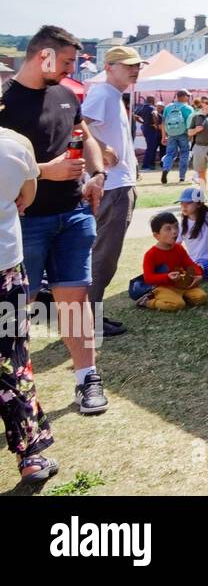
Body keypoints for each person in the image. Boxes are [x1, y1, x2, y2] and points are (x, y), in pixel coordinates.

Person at [0, 25, 109, 415]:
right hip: (23, 223)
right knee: (15, 307)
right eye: (65, 62)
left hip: (74, 215)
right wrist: (46, 171)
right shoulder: (5, 101)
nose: (70, 70)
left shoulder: (65, 95)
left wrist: (96, 175)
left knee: (75, 301)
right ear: (43, 55)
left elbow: (86, 136)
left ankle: (87, 378)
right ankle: (14, 391)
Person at [0, 122, 58, 483]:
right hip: (4, 268)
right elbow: (26, 198)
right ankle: (31, 455)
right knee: (12, 358)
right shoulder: (14, 144)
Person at [82, 45, 143, 338]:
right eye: (128, 65)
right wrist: (102, 149)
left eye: (137, 66)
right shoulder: (103, 94)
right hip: (113, 187)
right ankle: (89, 320)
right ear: (109, 66)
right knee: (104, 256)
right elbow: (79, 127)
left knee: (105, 256)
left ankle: (92, 316)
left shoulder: (112, 95)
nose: (134, 70)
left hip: (119, 184)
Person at [140, 211, 208, 312]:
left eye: (176, 227)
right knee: (176, 305)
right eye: (168, 229)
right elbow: (148, 278)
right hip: (164, 287)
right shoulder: (150, 254)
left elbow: (191, 265)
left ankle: (180, 296)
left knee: (202, 297)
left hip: (182, 284)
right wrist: (167, 277)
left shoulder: (179, 248)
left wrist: (199, 275)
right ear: (156, 235)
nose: (175, 231)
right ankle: (147, 302)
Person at [159, 90, 193, 185]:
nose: (188, 98)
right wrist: (191, 136)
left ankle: (165, 169)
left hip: (171, 134)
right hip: (184, 134)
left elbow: (163, 123)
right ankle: (182, 177)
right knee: (185, 154)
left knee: (169, 154)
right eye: (188, 96)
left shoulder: (168, 107)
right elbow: (190, 124)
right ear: (183, 96)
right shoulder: (188, 108)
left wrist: (163, 136)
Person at [187, 95, 208, 192]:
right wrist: (195, 130)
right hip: (199, 147)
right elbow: (189, 132)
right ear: (202, 104)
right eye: (207, 103)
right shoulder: (196, 116)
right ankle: (203, 194)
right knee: (201, 172)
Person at [133, 95, 161, 170]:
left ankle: (150, 164)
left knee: (150, 146)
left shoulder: (142, 107)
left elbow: (135, 116)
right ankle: (147, 165)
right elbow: (155, 115)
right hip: (151, 128)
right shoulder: (152, 108)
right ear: (152, 100)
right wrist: (157, 125)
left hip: (145, 128)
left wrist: (142, 122)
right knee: (151, 147)